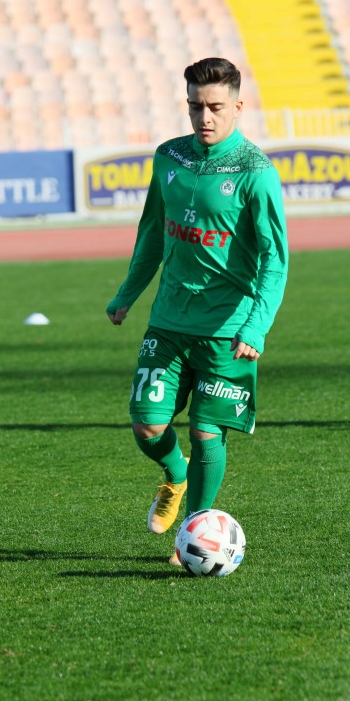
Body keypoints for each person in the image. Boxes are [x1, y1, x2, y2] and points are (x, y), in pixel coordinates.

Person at [106, 57, 288, 566]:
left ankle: (193, 532)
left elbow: (275, 260)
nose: (204, 117)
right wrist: (127, 293)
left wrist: (256, 326)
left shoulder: (256, 172)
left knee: (207, 432)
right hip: (168, 321)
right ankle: (176, 476)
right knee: (146, 426)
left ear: (238, 106)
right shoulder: (168, 157)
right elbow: (151, 233)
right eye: (194, 106)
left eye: (214, 107)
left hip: (227, 329)